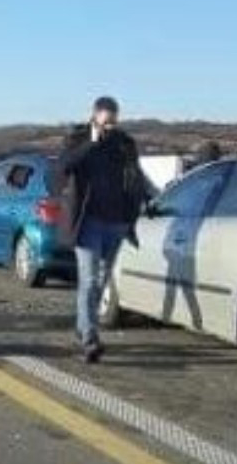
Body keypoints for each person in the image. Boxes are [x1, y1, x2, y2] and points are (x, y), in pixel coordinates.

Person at [60, 96, 150, 364]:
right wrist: (93, 142)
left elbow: (136, 174)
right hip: (88, 222)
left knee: (101, 278)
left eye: (114, 119)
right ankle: (89, 338)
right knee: (89, 280)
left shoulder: (124, 143)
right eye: (105, 120)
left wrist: (147, 198)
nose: (110, 125)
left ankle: (83, 325)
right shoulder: (78, 138)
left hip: (117, 221)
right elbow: (65, 166)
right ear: (95, 116)